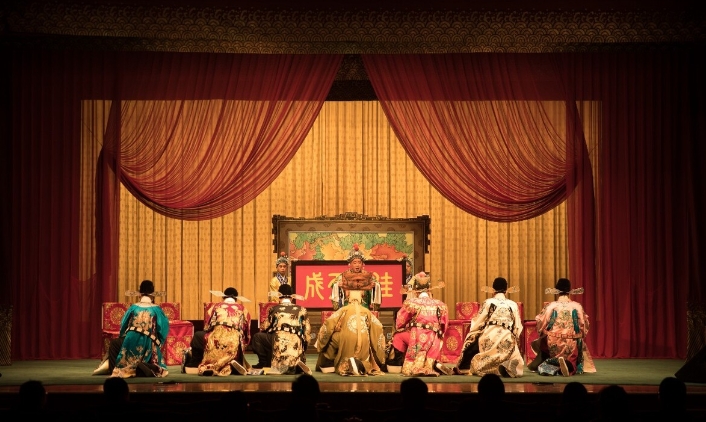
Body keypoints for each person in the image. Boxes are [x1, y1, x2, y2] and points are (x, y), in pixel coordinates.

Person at [316, 271, 387, 376]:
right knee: (367, 343)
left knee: (331, 339)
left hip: (345, 341)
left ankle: (328, 365)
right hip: (364, 344)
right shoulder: (366, 311)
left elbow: (327, 325)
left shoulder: (343, 310)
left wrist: (321, 341)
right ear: (362, 294)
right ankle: (361, 364)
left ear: (347, 294)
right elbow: (379, 327)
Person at [454, 277, 524, 378]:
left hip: (490, 335)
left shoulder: (488, 302)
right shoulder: (513, 304)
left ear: (493, 289)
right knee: (515, 356)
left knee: (473, 342)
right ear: (506, 290)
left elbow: (478, 322)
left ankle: (484, 366)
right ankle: (507, 364)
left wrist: (473, 331)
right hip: (507, 336)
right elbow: (518, 326)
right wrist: (514, 338)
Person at [386, 272, 452, 376]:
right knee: (436, 339)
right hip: (434, 340)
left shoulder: (412, 303)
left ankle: (397, 365)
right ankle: (433, 364)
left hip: (417, 337)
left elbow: (400, 320)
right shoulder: (441, 304)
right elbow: (444, 325)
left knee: (398, 336)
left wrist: (404, 327)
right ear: (429, 290)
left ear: (416, 292)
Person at [528, 278, 596, 377]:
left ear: (557, 291)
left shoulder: (551, 306)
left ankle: (550, 365)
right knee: (576, 349)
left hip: (553, 341)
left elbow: (541, 321)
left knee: (543, 345)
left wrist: (541, 332)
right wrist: (581, 335)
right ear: (569, 291)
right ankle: (568, 365)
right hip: (571, 341)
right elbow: (584, 324)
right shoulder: (577, 306)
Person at [108, 280, 170, 378]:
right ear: (152, 295)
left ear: (140, 294)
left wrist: (124, 336)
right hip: (149, 343)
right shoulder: (157, 309)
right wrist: (158, 342)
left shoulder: (133, 308)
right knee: (154, 355)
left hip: (130, 341)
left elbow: (123, 325)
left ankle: (115, 369)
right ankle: (143, 366)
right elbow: (163, 329)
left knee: (114, 344)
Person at [250, 283, 312, 374]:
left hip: (278, 340)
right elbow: (307, 333)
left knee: (257, 337)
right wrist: (303, 347)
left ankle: (264, 362)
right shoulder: (302, 310)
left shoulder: (274, 309)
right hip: (295, 342)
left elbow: (265, 327)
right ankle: (297, 361)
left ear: (279, 297)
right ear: (292, 297)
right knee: (299, 341)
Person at [195, 287, 252, 376]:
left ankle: (205, 365)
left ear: (223, 297)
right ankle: (231, 365)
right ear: (236, 298)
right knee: (233, 352)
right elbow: (247, 330)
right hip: (234, 338)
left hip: (216, 336)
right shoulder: (243, 308)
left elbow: (207, 326)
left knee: (200, 337)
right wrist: (244, 342)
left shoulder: (215, 306)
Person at [329, 244, 381, 311]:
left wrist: (374, 285)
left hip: (363, 307)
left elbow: (377, 284)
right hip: (348, 306)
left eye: (359, 262)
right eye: (354, 263)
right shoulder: (343, 276)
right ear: (350, 264)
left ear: (362, 264)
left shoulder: (367, 276)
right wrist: (338, 285)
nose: (357, 265)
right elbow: (334, 284)